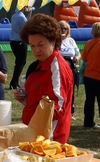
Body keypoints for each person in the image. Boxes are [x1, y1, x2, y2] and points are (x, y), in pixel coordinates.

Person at [13, 14, 73, 144]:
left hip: (49, 138)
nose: (36, 50)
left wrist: (36, 123)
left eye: (40, 44)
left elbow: (58, 108)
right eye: (32, 46)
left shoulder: (57, 68)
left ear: (52, 41)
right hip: (33, 132)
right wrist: (24, 98)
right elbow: (36, 99)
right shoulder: (37, 64)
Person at [58, 20, 81, 119]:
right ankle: (59, 109)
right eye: (61, 28)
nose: (63, 30)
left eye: (65, 28)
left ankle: (69, 110)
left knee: (70, 90)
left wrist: (77, 58)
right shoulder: (54, 40)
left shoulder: (71, 41)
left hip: (70, 67)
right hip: (58, 68)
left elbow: (78, 53)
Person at [9, 5, 33, 89]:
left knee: (20, 62)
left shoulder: (14, 16)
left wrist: (29, 13)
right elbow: (27, 27)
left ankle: (14, 82)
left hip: (13, 41)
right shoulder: (21, 17)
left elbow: (26, 23)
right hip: (20, 42)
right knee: (20, 63)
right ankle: (14, 82)